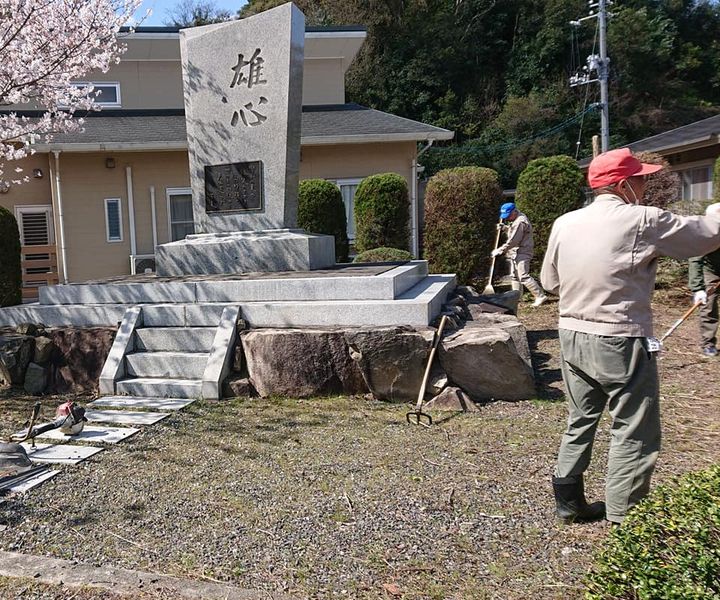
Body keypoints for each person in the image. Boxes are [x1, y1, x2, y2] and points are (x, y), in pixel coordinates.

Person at [540, 148, 720, 525]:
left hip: (572, 333)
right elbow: (705, 237)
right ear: (623, 185)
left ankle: (568, 501)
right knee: (634, 427)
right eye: (640, 178)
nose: (645, 184)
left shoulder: (565, 222)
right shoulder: (643, 220)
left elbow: (549, 282)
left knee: (581, 416)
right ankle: (626, 518)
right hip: (620, 336)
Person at [491, 202, 547, 307]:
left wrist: (500, 250)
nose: (507, 218)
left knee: (523, 276)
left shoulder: (520, 222)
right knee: (514, 276)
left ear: (514, 211)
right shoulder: (516, 219)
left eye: (508, 216)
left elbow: (514, 240)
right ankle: (516, 297)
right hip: (515, 252)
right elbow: (515, 232)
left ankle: (540, 296)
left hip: (522, 251)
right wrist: (505, 228)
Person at [688, 248, 720, 357]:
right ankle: (708, 344)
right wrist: (698, 289)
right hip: (711, 270)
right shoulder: (710, 233)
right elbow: (695, 259)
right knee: (708, 305)